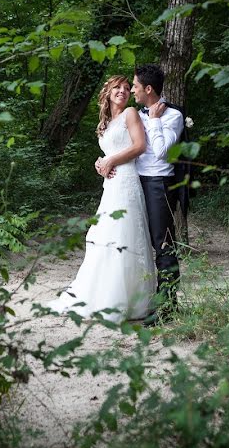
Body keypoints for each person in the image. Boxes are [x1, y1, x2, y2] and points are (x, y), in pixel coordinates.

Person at [47, 75, 156, 323]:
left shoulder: (130, 113)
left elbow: (140, 146)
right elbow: (110, 153)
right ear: (107, 92)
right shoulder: (106, 122)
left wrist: (110, 161)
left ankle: (129, 300)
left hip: (127, 182)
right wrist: (101, 163)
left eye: (127, 88)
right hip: (112, 185)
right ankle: (103, 295)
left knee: (125, 234)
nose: (123, 91)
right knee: (106, 234)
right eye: (117, 87)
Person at [127, 64, 185, 324]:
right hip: (136, 181)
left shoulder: (172, 115)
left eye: (135, 87)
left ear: (148, 89)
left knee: (162, 243)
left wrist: (153, 120)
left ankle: (167, 307)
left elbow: (162, 152)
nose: (132, 91)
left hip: (159, 182)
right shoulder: (135, 113)